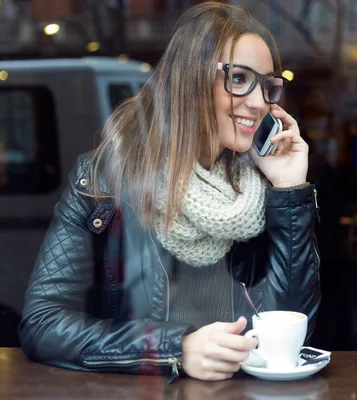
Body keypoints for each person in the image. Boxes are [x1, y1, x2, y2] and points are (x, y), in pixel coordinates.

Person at [19, 1, 321, 382]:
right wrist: (174, 349)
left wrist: (290, 188)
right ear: (190, 81)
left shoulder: (262, 190)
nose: (260, 102)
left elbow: (295, 335)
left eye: (267, 86)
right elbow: (44, 324)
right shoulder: (107, 182)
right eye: (239, 78)